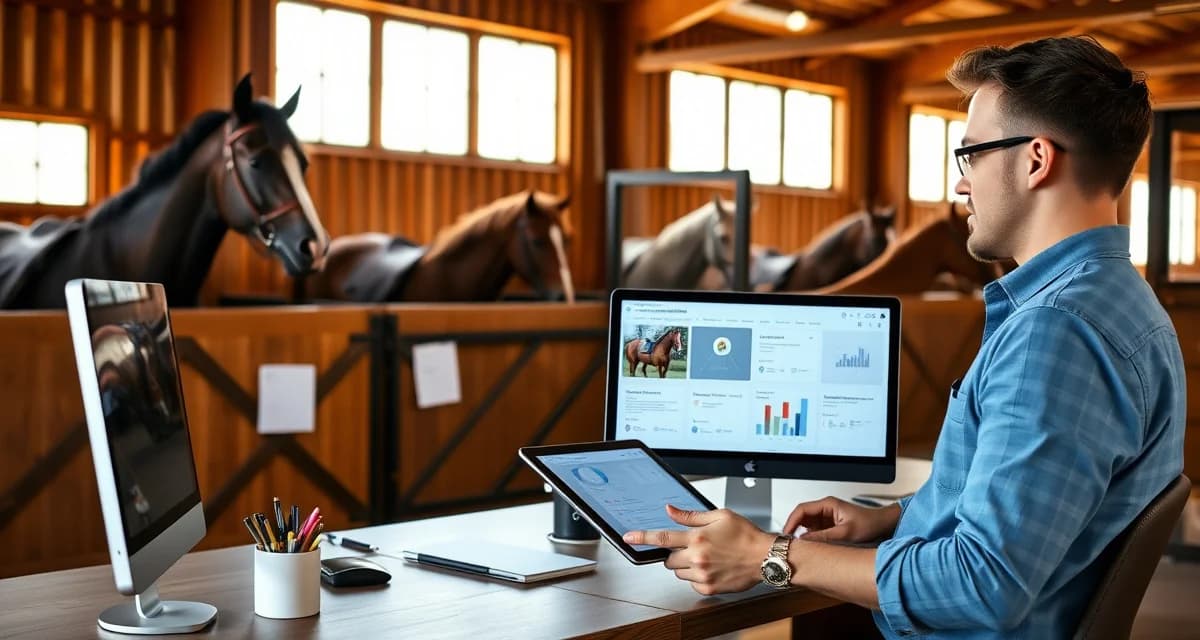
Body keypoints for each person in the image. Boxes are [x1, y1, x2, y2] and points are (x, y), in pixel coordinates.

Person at [622, 36, 1186, 638]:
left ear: (1036, 160)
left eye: (970, 155)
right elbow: (1037, 508)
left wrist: (767, 556)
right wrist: (893, 518)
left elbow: (981, 585)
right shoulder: (1123, 303)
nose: (961, 186)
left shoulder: (1055, 334)